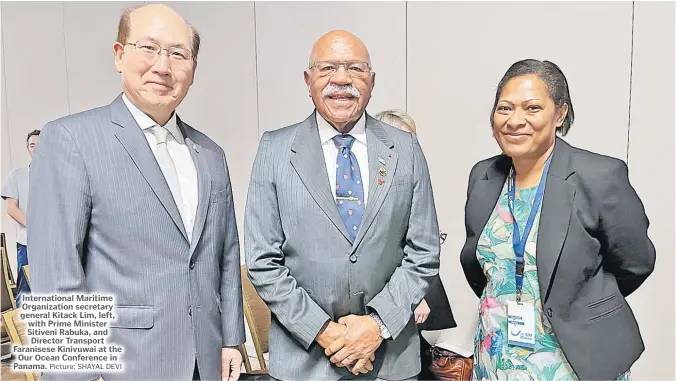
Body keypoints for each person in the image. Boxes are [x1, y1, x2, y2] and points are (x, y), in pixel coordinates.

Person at [27, 4, 244, 381]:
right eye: (149, 48)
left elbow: (225, 255)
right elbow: (57, 272)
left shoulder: (210, 154)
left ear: (193, 68)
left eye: (179, 54)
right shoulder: (71, 140)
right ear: (119, 54)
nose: (163, 66)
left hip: (205, 362)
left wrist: (231, 340)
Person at [244, 30, 441, 381]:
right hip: (304, 362)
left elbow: (423, 253)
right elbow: (263, 261)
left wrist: (376, 326)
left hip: (389, 360)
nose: (341, 79)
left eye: (355, 69)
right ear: (308, 80)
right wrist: (326, 332)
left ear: (372, 80)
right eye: (328, 68)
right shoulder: (274, 150)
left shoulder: (405, 149)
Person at [460, 59, 655, 381]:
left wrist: (578, 306)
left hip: (572, 359)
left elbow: (635, 263)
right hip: (497, 354)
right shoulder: (484, 175)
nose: (515, 121)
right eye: (505, 108)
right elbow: (481, 267)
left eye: (532, 108)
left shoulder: (599, 176)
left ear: (560, 114)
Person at [373, 110, 457, 376]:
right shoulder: (372, 183)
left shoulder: (408, 178)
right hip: (380, 298)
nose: (413, 148)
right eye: (407, 140)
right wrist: (414, 298)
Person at [1, 129, 40, 307]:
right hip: (27, 243)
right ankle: (24, 333)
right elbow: (11, 208)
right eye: (33, 145)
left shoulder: (60, 175)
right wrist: (34, 227)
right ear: (27, 148)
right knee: (26, 290)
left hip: (57, 244)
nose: (36, 149)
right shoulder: (17, 176)